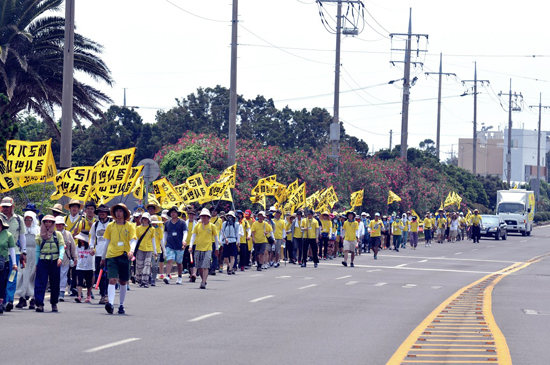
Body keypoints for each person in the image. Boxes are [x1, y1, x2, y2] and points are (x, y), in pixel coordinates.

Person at [101, 203, 137, 315]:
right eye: (117, 211)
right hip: (112, 256)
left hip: (125, 256)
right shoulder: (110, 226)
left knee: (123, 281)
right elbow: (106, 242)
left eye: (121, 211)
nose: (118, 213)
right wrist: (103, 257)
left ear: (125, 213)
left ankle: (121, 305)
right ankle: (110, 304)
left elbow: (133, 240)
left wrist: (131, 250)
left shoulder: (130, 226)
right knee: (112, 279)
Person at [0, 196, 26, 313]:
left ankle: (9, 300)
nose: (5, 209)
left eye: (8, 207)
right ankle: (3, 300)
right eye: (3, 207)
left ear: (12, 207)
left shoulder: (19, 219)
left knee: (12, 276)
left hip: (14, 252)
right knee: (2, 278)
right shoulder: (0, 219)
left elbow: (22, 237)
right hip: (2, 253)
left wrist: (23, 252)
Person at [34, 215, 65, 312]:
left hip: (55, 261)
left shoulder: (58, 234)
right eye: (46, 222)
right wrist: (36, 263)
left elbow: (61, 247)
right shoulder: (39, 236)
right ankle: (39, 304)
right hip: (42, 261)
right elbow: (37, 250)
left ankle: (54, 303)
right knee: (40, 282)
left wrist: (60, 258)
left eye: (50, 222)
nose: (48, 224)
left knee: (55, 283)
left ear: (53, 223)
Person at [189, 208, 219, 289]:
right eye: (203, 216)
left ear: (208, 217)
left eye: (206, 216)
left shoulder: (212, 226)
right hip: (198, 248)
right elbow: (193, 236)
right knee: (199, 267)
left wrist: (217, 248)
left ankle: (203, 282)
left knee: (205, 266)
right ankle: (204, 280)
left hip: (208, 248)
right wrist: (190, 246)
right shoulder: (197, 226)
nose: (204, 218)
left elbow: (216, 237)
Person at [15, 210, 39, 310]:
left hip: (34, 253)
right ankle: (22, 297)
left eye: (30, 219)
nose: (28, 221)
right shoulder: (21, 230)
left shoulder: (38, 230)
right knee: (23, 275)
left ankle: (33, 298)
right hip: (24, 254)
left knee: (33, 275)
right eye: (26, 219)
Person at [90, 204, 110, 304]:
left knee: (108, 275)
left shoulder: (112, 224)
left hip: (110, 253)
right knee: (100, 276)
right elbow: (92, 238)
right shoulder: (95, 225)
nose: (102, 214)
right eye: (100, 212)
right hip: (98, 253)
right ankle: (103, 295)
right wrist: (91, 248)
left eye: (104, 212)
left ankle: (107, 295)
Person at [163, 206, 187, 285]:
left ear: (177, 213)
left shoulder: (182, 222)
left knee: (179, 262)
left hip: (179, 246)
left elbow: (185, 232)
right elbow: (165, 234)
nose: (173, 214)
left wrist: (184, 240)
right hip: (170, 245)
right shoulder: (167, 223)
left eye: (174, 212)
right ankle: (167, 276)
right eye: (171, 212)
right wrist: (163, 244)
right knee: (169, 260)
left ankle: (179, 276)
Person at [56, 215, 76, 302]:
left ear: (63, 225)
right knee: (55, 276)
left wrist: (75, 257)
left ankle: (62, 292)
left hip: (65, 259)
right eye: (57, 224)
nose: (59, 226)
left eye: (60, 224)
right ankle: (55, 291)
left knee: (63, 275)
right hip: (54, 258)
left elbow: (73, 247)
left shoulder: (68, 234)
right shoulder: (52, 234)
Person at [0, 215, 17, 314]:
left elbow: (12, 249)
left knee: (2, 283)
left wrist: (14, 263)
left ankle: (1, 303)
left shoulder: (8, 235)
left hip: (3, 262)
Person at [135, 213, 156, 288]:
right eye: (144, 218)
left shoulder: (152, 229)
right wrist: (134, 249)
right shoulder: (138, 228)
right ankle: (140, 280)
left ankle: (145, 281)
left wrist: (155, 251)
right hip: (140, 249)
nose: (145, 220)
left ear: (149, 220)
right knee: (140, 266)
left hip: (149, 249)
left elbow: (153, 240)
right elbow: (136, 239)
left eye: (146, 219)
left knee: (147, 265)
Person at [74, 231, 94, 303]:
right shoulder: (77, 247)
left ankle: (88, 295)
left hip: (89, 267)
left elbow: (93, 254)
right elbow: (76, 255)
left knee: (89, 282)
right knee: (80, 281)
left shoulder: (90, 247)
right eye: (80, 239)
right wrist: (75, 260)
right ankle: (79, 296)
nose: (81, 241)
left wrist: (92, 251)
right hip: (80, 267)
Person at [150, 215, 166, 286]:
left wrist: (164, 250)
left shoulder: (160, 230)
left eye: (155, 222)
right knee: (147, 265)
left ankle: (153, 279)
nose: (153, 224)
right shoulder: (148, 229)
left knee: (155, 266)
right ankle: (148, 278)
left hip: (157, 250)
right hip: (149, 249)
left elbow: (161, 240)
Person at [185, 210, 198, 281]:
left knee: (194, 259)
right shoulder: (184, 223)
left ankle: (194, 274)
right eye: (190, 215)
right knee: (189, 260)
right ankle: (191, 274)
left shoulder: (196, 224)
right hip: (186, 244)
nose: (191, 216)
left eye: (192, 215)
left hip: (194, 244)